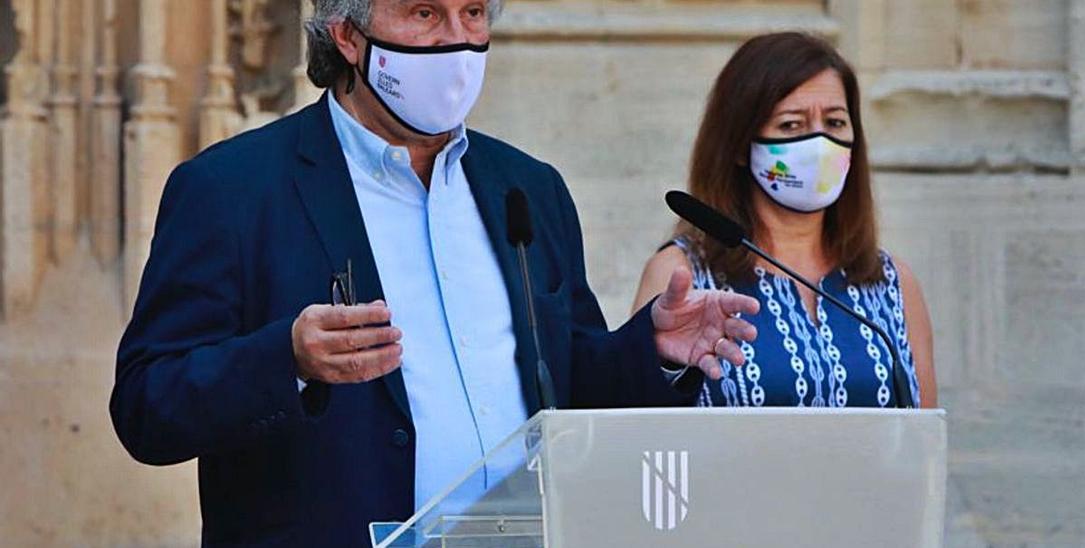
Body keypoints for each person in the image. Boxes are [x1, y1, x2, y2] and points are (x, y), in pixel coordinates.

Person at [109, 0, 757, 545]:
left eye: (472, 12)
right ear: (348, 33)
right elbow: (147, 406)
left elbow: (568, 387)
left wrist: (652, 351)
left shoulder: (528, 189)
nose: (456, 40)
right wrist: (287, 360)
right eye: (424, 12)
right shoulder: (233, 190)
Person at [632, 32, 937, 409]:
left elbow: (924, 443)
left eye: (835, 122)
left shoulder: (893, 282)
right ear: (741, 145)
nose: (819, 143)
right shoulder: (681, 276)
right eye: (791, 125)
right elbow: (640, 431)